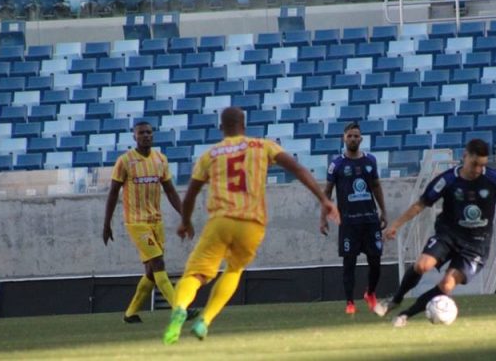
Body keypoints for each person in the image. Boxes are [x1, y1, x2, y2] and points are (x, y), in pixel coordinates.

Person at [163, 107, 340, 344]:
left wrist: (185, 221)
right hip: (252, 223)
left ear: (221, 128)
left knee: (195, 274)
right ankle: (205, 321)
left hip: (221, 221)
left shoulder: (210, 155)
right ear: (244, 126)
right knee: (234, 270)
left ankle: (180, 308)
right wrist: (324, 199)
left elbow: (190, 195)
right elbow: (297, 169)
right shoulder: (262, 146)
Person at [373, 139, 496, 327]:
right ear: (464, 157)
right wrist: (396, 225)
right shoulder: (447, 180)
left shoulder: (494, 178)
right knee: (422, 265)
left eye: (482, 165)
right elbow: (421, 203)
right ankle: (396, 299)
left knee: (447, 285)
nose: (477, 170)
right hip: (448, 235)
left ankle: (405, 315)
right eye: (474, 164)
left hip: (476, 245)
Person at [104, 121, 197, 323]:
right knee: (159, 263)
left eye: (149, 132)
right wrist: (106, 223)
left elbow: (170, 190)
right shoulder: (125, 161)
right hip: (136, 223)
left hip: (156, 221)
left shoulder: (160, 159)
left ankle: (130, 314)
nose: (146, 135)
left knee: (151, 272)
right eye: (141, 133)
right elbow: (113, 193)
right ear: (134, 137)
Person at [321, 122, 387, 314]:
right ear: (344, 138)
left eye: (356, 136)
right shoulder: (337, 165)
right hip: (349, 222)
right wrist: (322, 218)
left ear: (361, 139)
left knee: (375, 261)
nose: (352, 139)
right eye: (349, 136)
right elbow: (327, 192)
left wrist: (384, 211)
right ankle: (350, 302)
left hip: (370, 220)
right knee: (349, 262)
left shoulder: (370, 161)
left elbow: (376, 186)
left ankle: (371, 293)